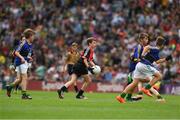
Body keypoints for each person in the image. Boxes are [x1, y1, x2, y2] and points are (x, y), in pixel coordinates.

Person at [116, 36, 172, 103]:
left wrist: (166, 59)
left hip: (139, 65)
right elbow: (147, 47)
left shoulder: (156, 50)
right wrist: (142, 56)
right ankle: (146, 89)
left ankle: (121, 96)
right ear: (162, 45)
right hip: (145, 65)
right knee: (159, 76)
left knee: (134, 83)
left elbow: (157, 61)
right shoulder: (155, 48)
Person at [6, 28, 35, 99]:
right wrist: (22, 58)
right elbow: (16, 52)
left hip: (24, 62)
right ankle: (24, 95)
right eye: (33, 35)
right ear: (30, 36)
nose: (34, 37)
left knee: (20, 79)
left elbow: (27, 54)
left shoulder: (30, 44)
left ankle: (9, 87)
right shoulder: (23, 43)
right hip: (20, 62)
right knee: (25, 77)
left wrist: (29, 58)